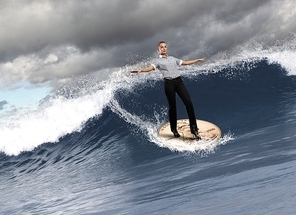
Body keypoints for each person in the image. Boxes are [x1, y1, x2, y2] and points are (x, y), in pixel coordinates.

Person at [131, 41, 205, 139]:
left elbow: (185, 62)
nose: (164, 48)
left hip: (179, 82)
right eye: (161, 47)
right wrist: (141, 70)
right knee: (172, 106)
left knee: (188, 102)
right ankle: (174, 130)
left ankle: (194, 130)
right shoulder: (157, 61)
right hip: (169, 83)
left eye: (165, 47)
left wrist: (197, 60)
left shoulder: (172, 58)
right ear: (158, 49)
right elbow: (150, 68)